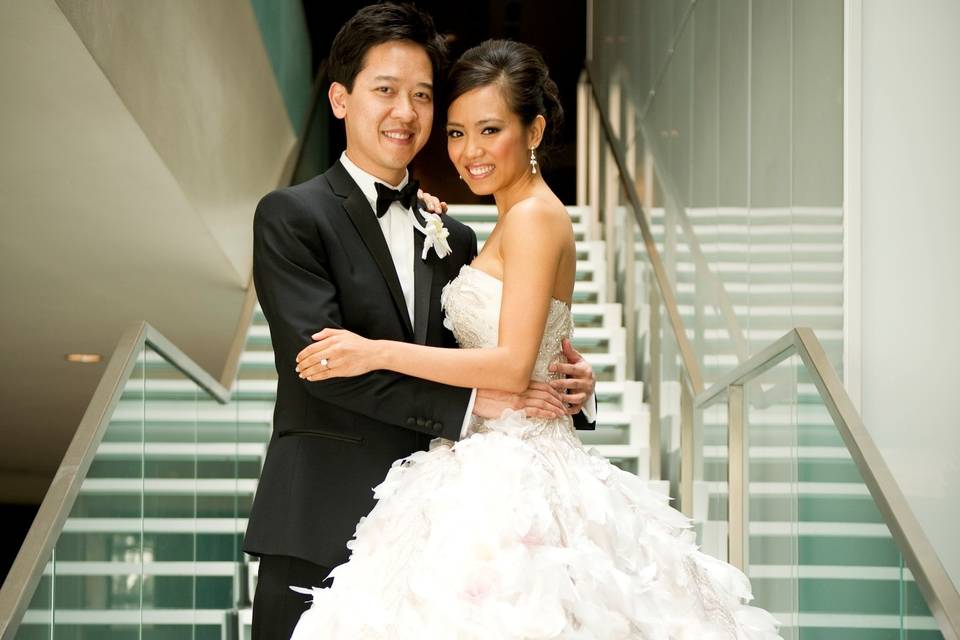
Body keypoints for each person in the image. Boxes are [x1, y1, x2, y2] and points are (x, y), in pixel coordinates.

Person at [289, 39, 783, 640]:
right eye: (456, 132)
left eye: (489, 129)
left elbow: (511, 364)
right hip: (476, 450)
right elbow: (493, 342)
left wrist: (371, 349)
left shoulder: (532, 217)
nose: (470, 152)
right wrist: (571, 376)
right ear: (340, 100)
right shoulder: (470, 228)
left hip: (516, 466)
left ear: (534, 130)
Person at [243, 5, 598, 639]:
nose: (405, 113)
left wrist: (564, 382)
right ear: (340, 99)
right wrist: (473, 402)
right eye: (385, 91)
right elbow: (323, 366)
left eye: (422, 96)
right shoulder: (291, 216)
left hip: (445, 534)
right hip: (321, 519)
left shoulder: (455, 236)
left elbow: (490, 348)